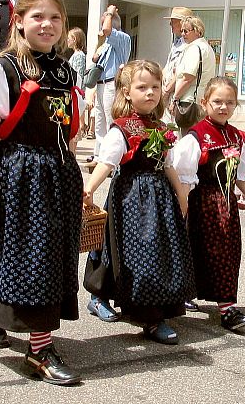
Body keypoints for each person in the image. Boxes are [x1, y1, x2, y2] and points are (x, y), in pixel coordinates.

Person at [0, 0, 84, 386]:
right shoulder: (2, 69)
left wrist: (72, 169)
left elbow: (69, 127)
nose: (47, 24)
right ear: (19, 21)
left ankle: (19, 325)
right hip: (17, 173)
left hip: (56, 173)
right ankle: (38, 349)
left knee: (47, 256)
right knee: (17, 252)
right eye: (38, 16)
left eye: (55, 17)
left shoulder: (66, 69)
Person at [82, 60, 195, 344]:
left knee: (156, 252)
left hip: (160, 198)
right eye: (142, 87)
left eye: (155, 87)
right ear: (127, 92)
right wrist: (89, 189)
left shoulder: (162, 126)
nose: (150, 93)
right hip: (132, 198)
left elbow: (168, 164)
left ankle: (148, 305)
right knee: (134, 253)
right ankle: (149, 317)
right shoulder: (122, 129)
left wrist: (181, 194)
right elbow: (107, 163)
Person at [173, 77, 245, 331]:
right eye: (217, 102)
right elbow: (183, 174)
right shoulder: (197, 136)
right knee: (199, 252)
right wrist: (182, 205)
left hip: (227, 205)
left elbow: (239, 175)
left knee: (228, 254)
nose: (223, 107)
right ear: (204, 103)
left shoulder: (237, 136)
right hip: (202, 204)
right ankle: (197, 296)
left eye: (229, 102)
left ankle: (226, 305)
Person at [87, 4, 131, 163]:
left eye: (104, 22)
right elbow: (94, 58)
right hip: (101, 83)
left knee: (111, 120)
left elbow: (107, 30)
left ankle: (113, 157)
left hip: (112, 83)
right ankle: (99, 155)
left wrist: (111, 12)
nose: (102, 27)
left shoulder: (121, 37)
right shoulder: (105, 42)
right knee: (100, 121)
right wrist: (99, 42)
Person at [169, 15, 216, 136]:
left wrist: (174, 99)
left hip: (189, 101)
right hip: (201, 100)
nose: (183, 34)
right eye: (182, 31)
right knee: (199, 137)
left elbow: (188, 78)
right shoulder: (207, 48)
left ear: (198, 31)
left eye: (186, 31)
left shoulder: (195, 48)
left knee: (187, 139)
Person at [162, 6, 194, 109]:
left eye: (173, 21)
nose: (170, 24)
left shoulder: (190, 45)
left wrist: (167, 91)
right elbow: (168, 67)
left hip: (179, 96)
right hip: (169, 92)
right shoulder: (177, 43)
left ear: (182, 22)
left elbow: (182, 74)